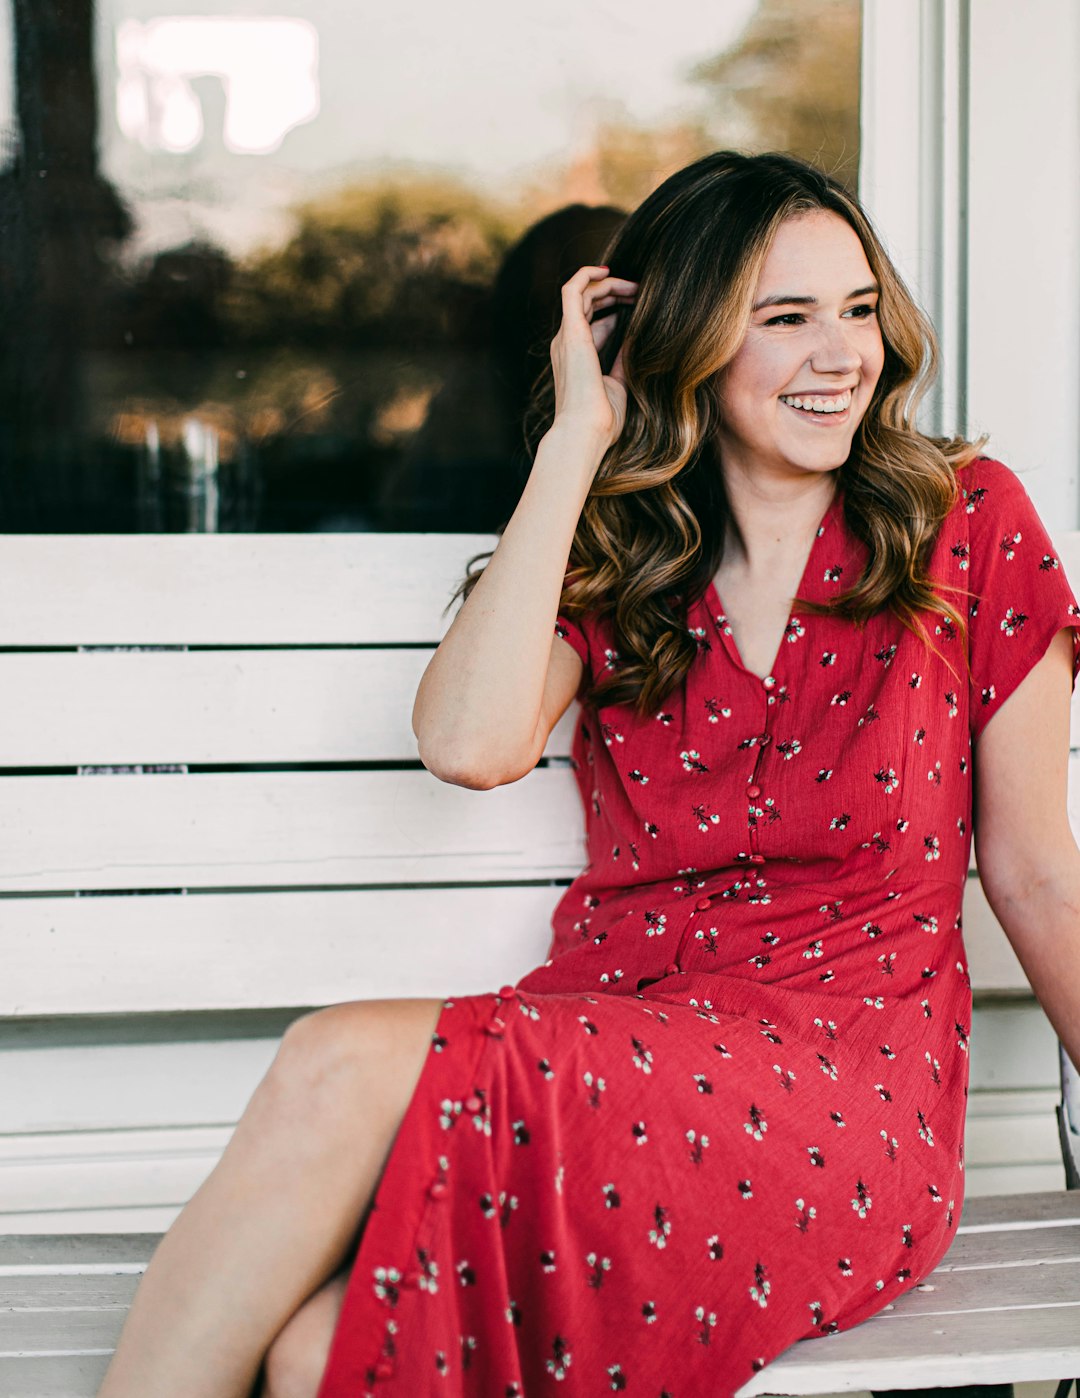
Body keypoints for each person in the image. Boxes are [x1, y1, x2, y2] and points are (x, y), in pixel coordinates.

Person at [97, 150, 1080, 1398]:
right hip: (620, 1047)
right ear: (687, 346)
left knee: (338, 1062)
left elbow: (1040, 875)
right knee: (314, 1352)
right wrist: (577, 443)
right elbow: (468, 741)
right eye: (785, 320)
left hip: (843, 1101)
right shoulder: (628, 551)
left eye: (858, 309)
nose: (843, 355)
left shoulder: (965, 522)